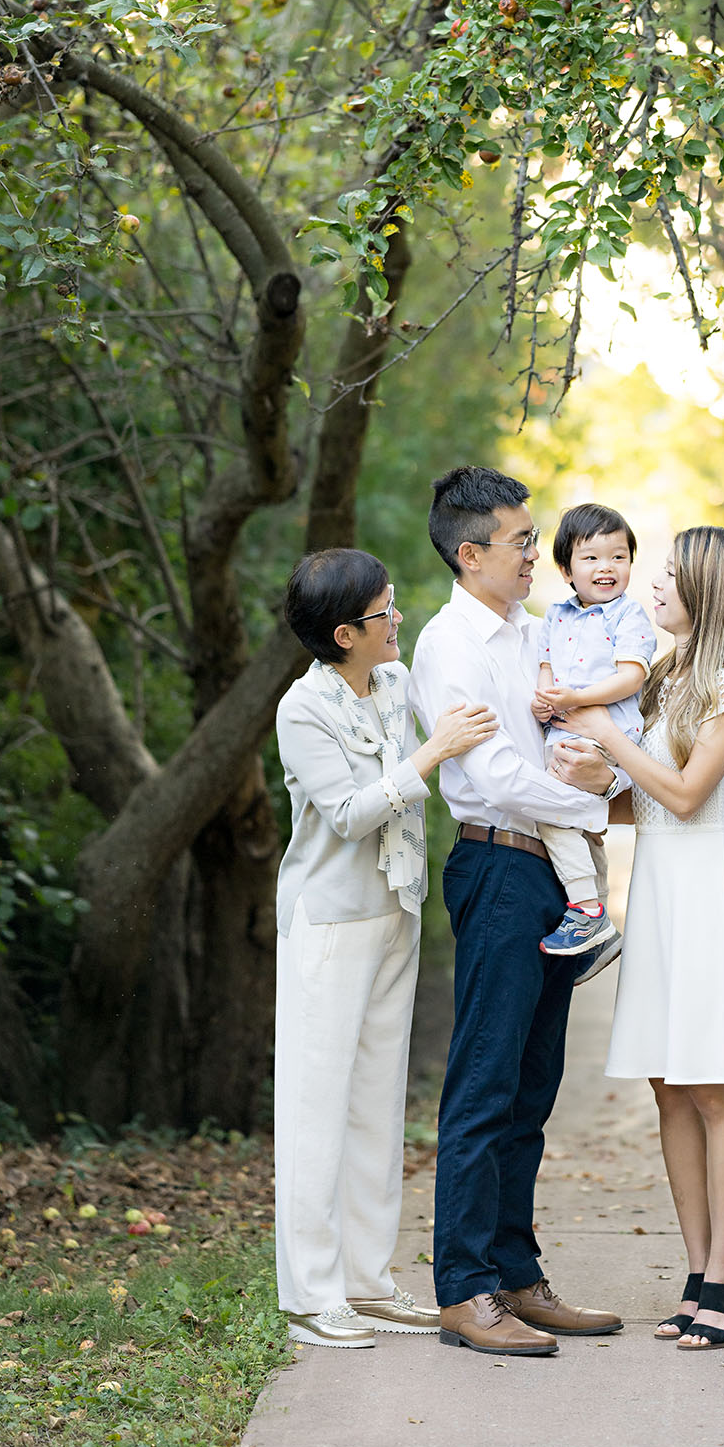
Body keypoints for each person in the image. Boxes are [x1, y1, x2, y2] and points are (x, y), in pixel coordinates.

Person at [410, 466, 625, 1357]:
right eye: (523, 542)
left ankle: (515, 1272)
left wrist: (604, 777)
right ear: (470, 553)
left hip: (549, 875)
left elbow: (581, 738)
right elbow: (490, 775)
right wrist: (593, 808)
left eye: (537, 540)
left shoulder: (540, 633)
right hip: (497, 872)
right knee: (486, 1082)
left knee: (534, 1085)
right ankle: (463, 1288)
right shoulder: (446, 645)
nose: (540, 555)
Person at [566, 526, 724, 1350]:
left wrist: (611, 737)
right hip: (655, 887)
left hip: (703, 889)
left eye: (670, 576)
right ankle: (696, 1274)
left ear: (712, 590)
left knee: (715, 1086)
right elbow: (646, 804)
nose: (651, 587)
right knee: (667, 1083)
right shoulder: (663, 677)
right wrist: (590, 787)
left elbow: (691, 796)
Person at [274, 547, 496, 1348]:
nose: (397, 620)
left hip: (394, 909)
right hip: (329, 923)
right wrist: (429, 756)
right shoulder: (302, 711)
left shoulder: (395, 683)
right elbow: (347, 812)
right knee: (316, 1107)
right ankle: (310, 1296)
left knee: (374, 1102)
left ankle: (367, 1282)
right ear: (344, 633)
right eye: (383, 613)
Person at [532, 502, 657, 960]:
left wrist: (577, 701)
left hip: (604, 737)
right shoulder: (555, 615)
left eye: (618, 556)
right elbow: (546, 666)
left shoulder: (629, 615)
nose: (606, 567)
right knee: (582, 829)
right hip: (561, 733)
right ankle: (596, 920)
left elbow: (631, 677)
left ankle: (586, 908)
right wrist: (544, 697)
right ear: (566, 568)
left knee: (547, 809)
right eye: (591, 558)